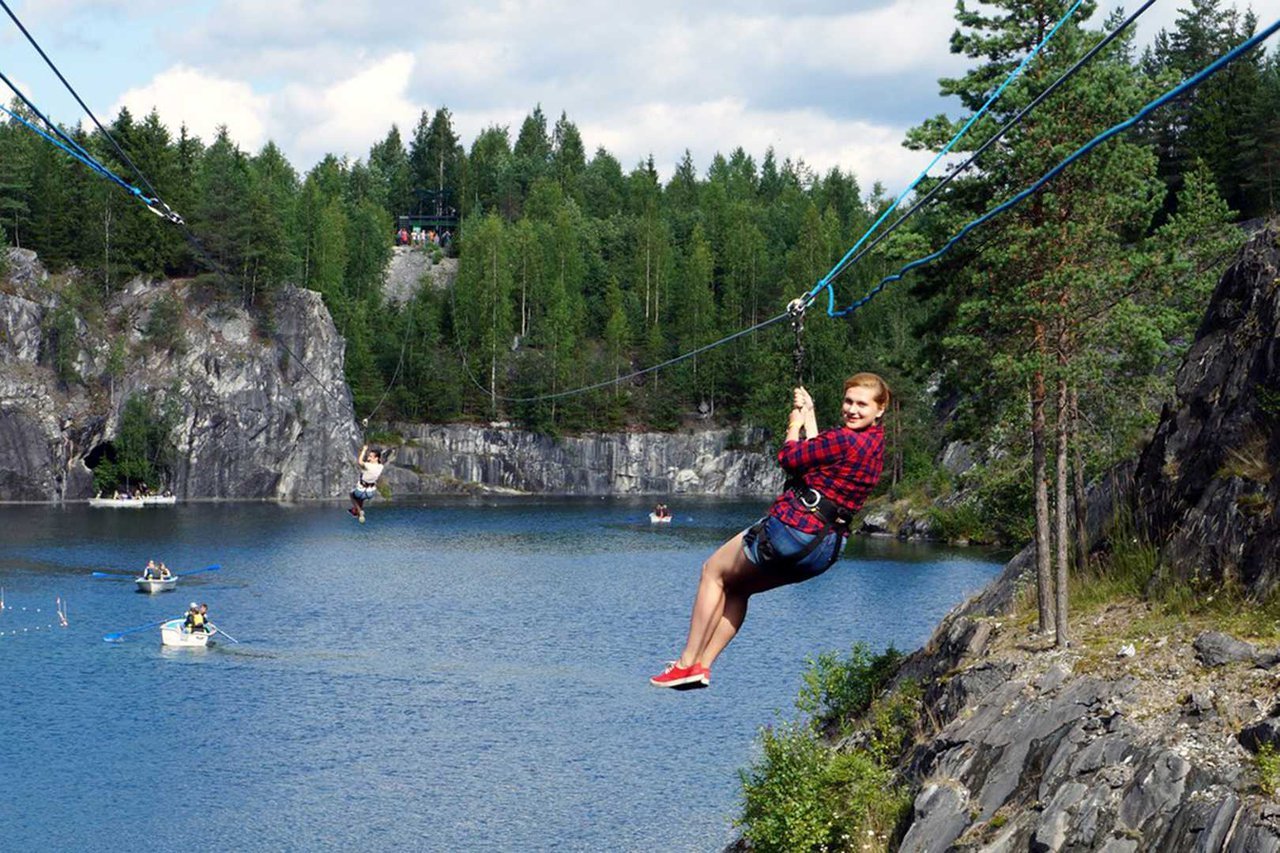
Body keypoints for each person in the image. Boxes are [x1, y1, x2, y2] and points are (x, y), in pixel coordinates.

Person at [650, 373, 890, 689]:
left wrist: (794, 425)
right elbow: (821, 460)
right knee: (738, 589)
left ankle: (685, 663)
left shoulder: (844, 439)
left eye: (862, 404)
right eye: (848, 401)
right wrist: (811, 414)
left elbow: (791, 459)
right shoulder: (874, 443)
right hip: (824, 549)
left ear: (879, 409)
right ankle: (703, 666)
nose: (853, 410)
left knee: (712, 572)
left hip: (792, 531)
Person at [348, 444, 385, 523]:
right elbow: (376, 464)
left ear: (376, 458)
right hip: (370, 493)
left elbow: (360, 462)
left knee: (351, 494)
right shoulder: (381, 467)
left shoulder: (369, 466)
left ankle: (359, 512)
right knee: (361, 499)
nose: (369, 458)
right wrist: (370, 459)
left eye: (371, 456)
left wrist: (364, 450)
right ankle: (356, 511)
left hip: (361, 491)